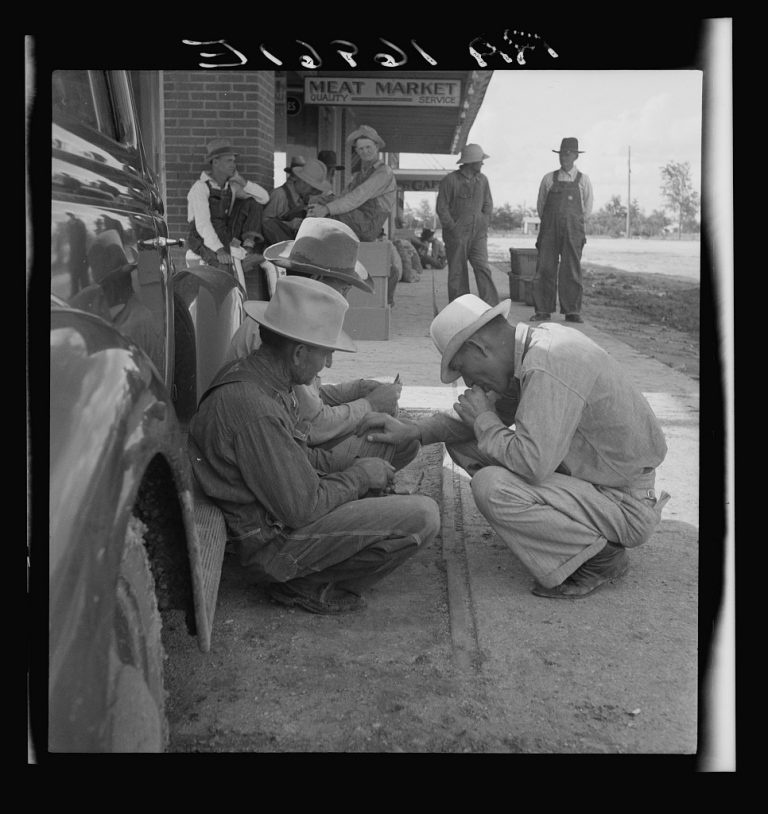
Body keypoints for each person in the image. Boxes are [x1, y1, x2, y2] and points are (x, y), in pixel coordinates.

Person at [358, 293, 670, 600]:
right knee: (466, 439)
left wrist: (484, 420)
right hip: (598, 482)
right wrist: (413, 431)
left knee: (492, 487)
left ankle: (600, 556)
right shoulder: (532, 349)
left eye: (464, 369)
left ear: (479, 348)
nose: (468, 383)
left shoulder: (549, 363)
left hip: (625, 502)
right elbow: (471, 421)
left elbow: (532, 465)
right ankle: (554, 533)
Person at [189, 275, 440, 614]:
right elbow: (302, 508)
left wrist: (356, 468)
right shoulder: (254, 406)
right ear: (299, 353)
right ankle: (302, 584)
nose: (330, 363)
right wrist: (360, 477)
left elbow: (300, 458)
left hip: (277, 518)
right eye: (326, 353)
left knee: (389, 449)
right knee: (422, 516)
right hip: (272, 546)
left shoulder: (263, 380)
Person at [226, 218, 417, 470]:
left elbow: (308, 397)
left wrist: (357, 390)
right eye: (344, 289)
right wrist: (370, 404)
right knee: (401, 441)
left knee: (391, 426)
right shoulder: (282, 330)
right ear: (318, 279)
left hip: (286, 443)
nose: (344, 299)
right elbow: (314, 424)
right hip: (278, 455)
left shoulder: (287, 317)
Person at [532, 137, 594, 323]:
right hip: (549, 230)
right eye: (561, 154)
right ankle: (543, 310)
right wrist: (552, 223)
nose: (563, 158)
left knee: (571, 270)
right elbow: (541, 206)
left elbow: (587, 209)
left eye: (568, 154)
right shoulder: (548, 179)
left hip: (573, 231)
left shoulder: (584, 180)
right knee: (545, 268)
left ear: (575, 156)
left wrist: (572, 223)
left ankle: (572, 311)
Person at [185, 138, 270, 272]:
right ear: (215, 162)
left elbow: (263, 198)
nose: (234, 165)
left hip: (224, 232)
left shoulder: (232, 187)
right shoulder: (200, 188)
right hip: (201, 238)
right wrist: (220, 251)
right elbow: (202, 225)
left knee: (253, 203)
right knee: (224, 268)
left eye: (234, 161)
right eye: (229, 161)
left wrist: (242, 181)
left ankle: (247, 252)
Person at [306, 125, 396, 242]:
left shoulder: (384, 172)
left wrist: (326, 209)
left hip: (368, 226)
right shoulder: (360, 175)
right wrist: (323, 203)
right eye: (361, 149)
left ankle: (308, 239)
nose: (365, 152)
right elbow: (344, 196)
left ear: (377, 146)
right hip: (357, 219)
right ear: (357, 151)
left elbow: (357, 197)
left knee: (326, 210)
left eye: (368, 147)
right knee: (319, 200)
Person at [436, 144, 498, 306]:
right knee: (458, 272)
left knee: (483, 267)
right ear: (471, 162)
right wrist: (453, 228)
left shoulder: (483, 180)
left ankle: (490, 307)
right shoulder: (450, 181)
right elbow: (442, 208)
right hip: (456, 235)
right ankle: (460, 308)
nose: (482, 164)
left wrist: (484, 223)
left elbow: (488, 204)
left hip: (478, 234)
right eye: (480, 161)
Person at [261, 158, 333, 245]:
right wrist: (289, 224)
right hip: (277, 245)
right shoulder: (279, 195)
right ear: (303, 183)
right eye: (313, 188)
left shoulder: (303, 198)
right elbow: (264, 223)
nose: (313, 192)